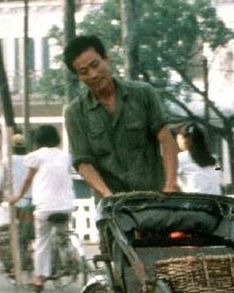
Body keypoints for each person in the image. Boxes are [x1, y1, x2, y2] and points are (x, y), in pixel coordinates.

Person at [61, 34, 177, 197]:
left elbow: (167, 140)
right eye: (83, 72)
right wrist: (109, 197)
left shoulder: (144, 94)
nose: (93, 75)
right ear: (79, 76)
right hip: (113, 209)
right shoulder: (75, 112)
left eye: (95, 65)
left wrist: (170, 184)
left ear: (107, 59)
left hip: (155, 199)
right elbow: (83, 163)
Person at [15, 125, 76, 288]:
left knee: (43, 240)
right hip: (66, 205)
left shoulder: (36, 156)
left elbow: (28, 180)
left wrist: (18, 195)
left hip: (45, 206)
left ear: (38, 139)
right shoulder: (65, 156)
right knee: (64, 231)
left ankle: (39, 277)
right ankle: (72, 254)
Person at [176, 122, 225, 195]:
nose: (177, 141)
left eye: (178, 138)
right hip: (216, 199)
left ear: (186, 139)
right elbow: (219, 177)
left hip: (196, 201)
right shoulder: (214, 159)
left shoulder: (181, 158)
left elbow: (172, 181)